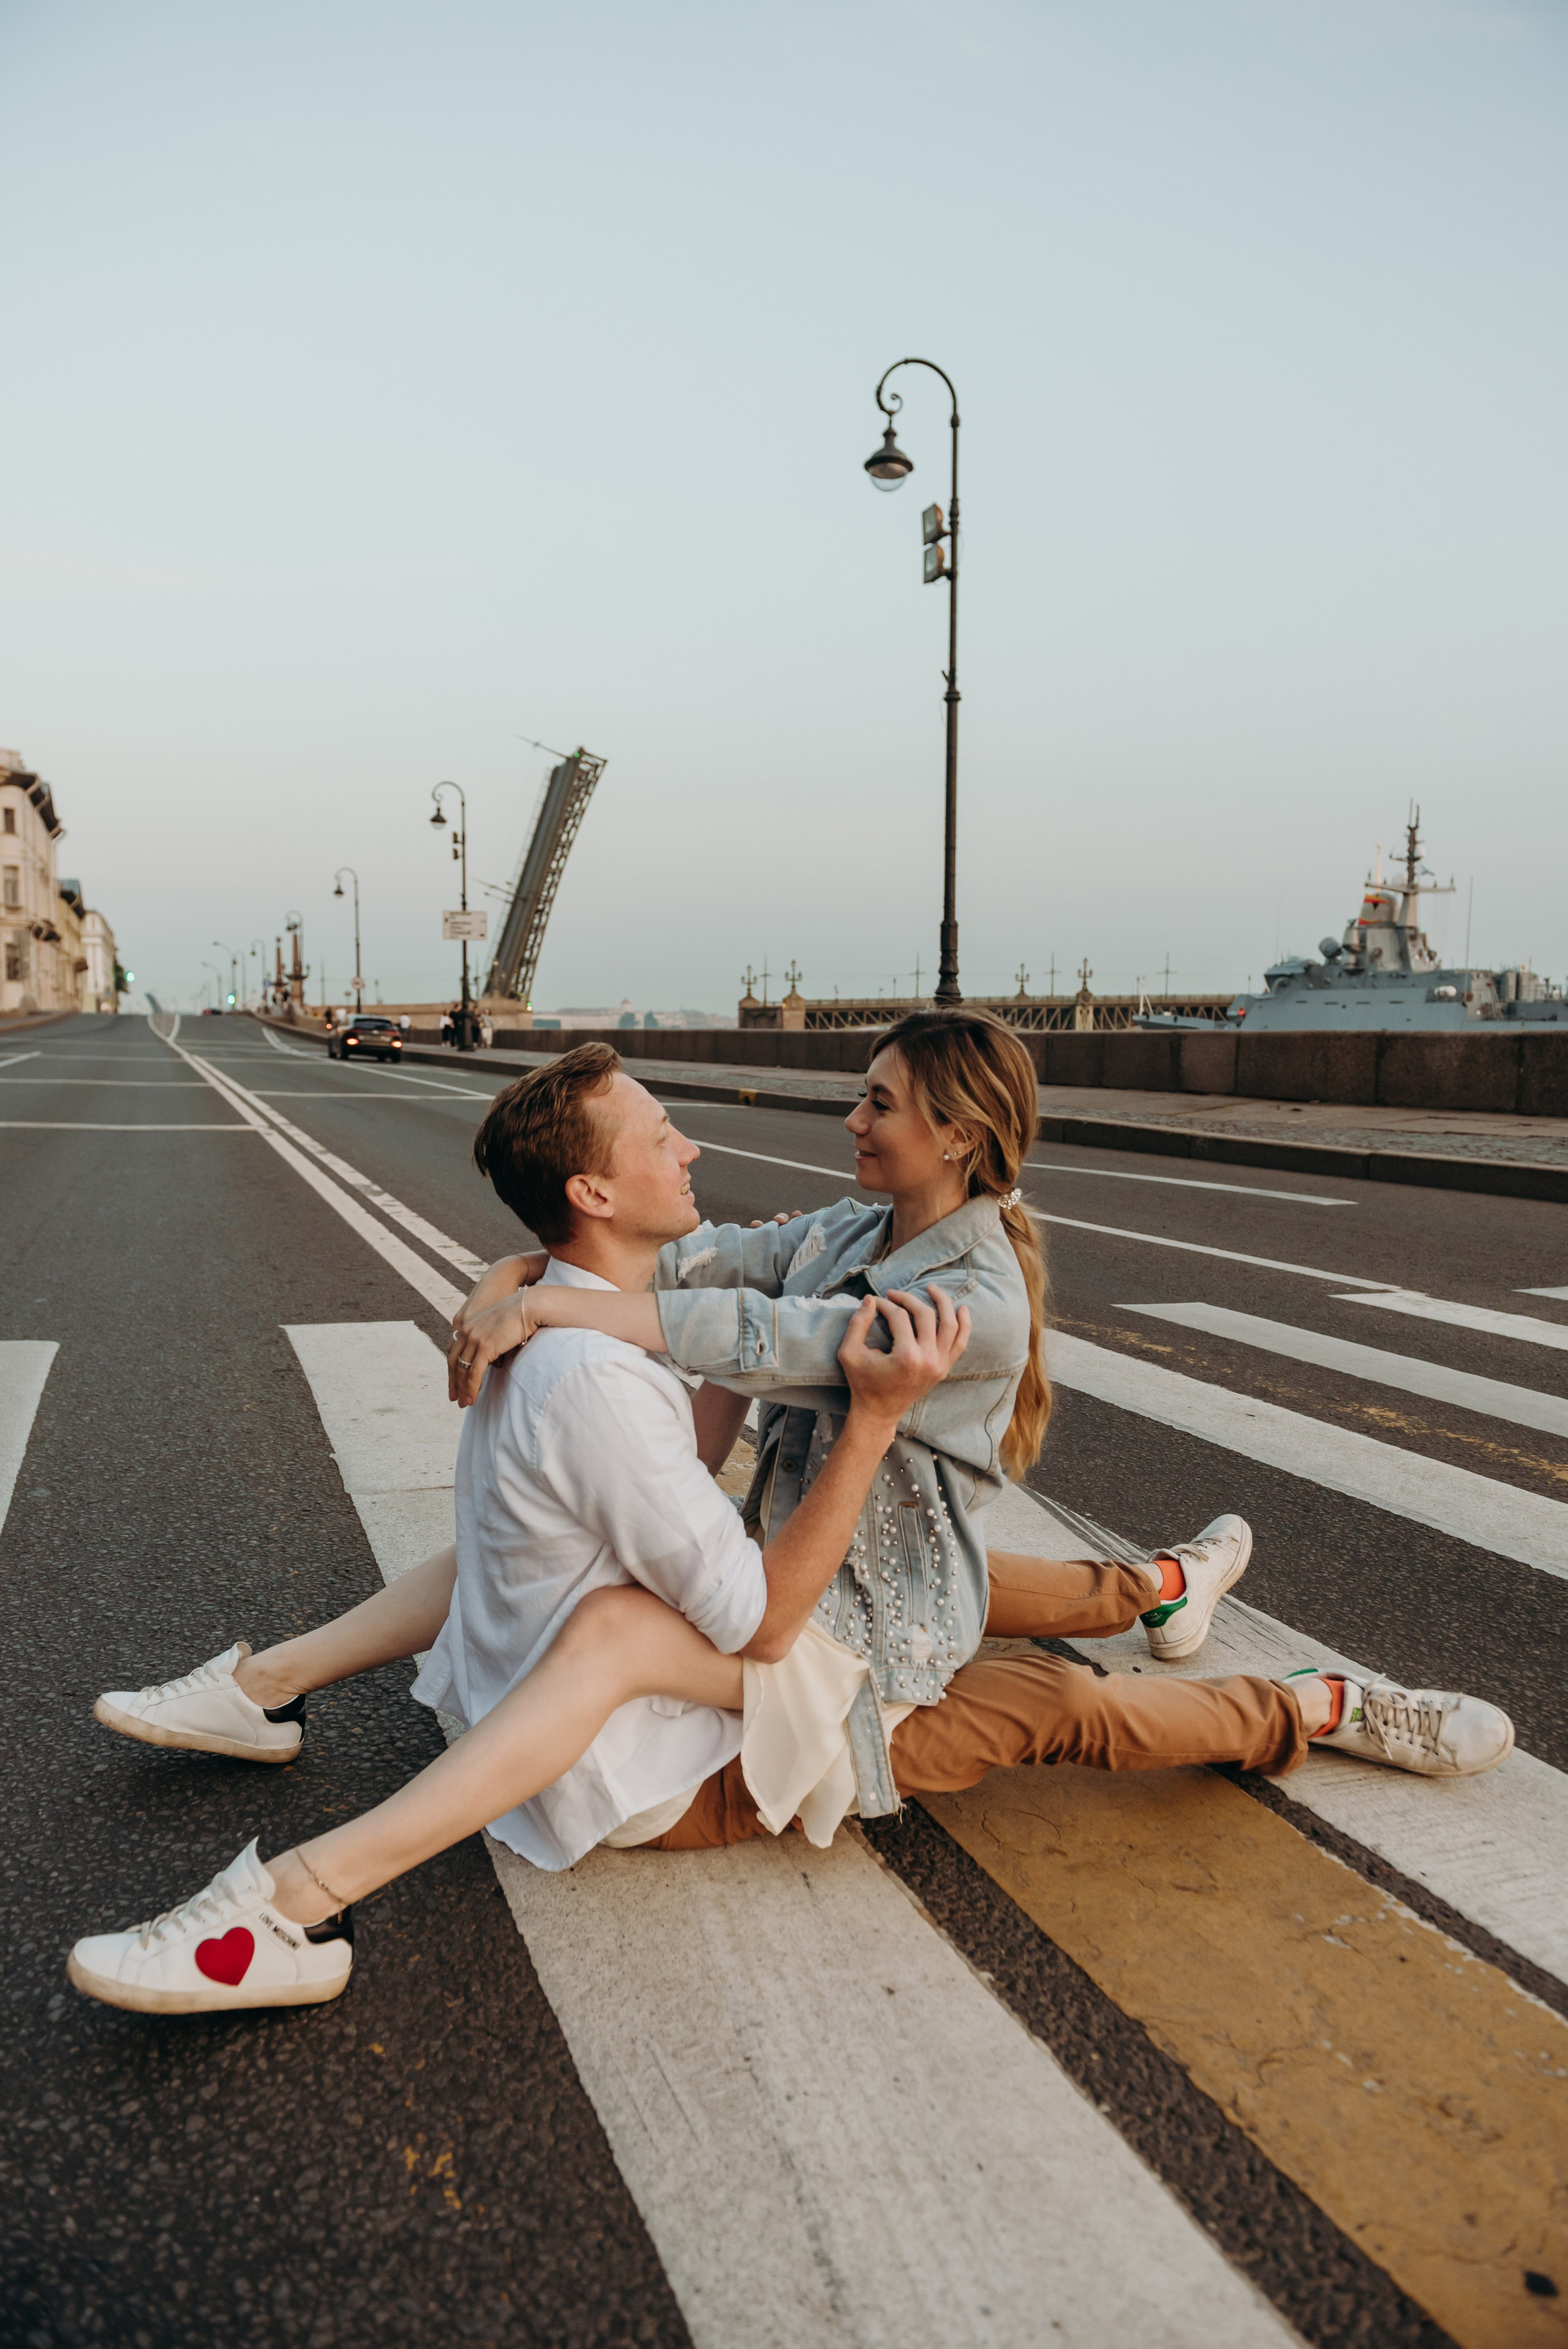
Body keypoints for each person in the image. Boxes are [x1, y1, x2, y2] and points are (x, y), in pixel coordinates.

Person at [72, 1039, 1513, 2014]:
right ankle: (1211, 1629)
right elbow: (723, 1287)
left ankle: (1275, 1671)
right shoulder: (822, 1241)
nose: (846, 1118)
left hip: (867, 1603)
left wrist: (551, 1291)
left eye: (877, 1101)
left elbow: (765, 1333)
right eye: (664, 1135)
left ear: (953, 1134)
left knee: (1013, 1662)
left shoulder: (960, 1303)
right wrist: (522, 1275)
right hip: (800, 1632)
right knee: (1024, 1662)